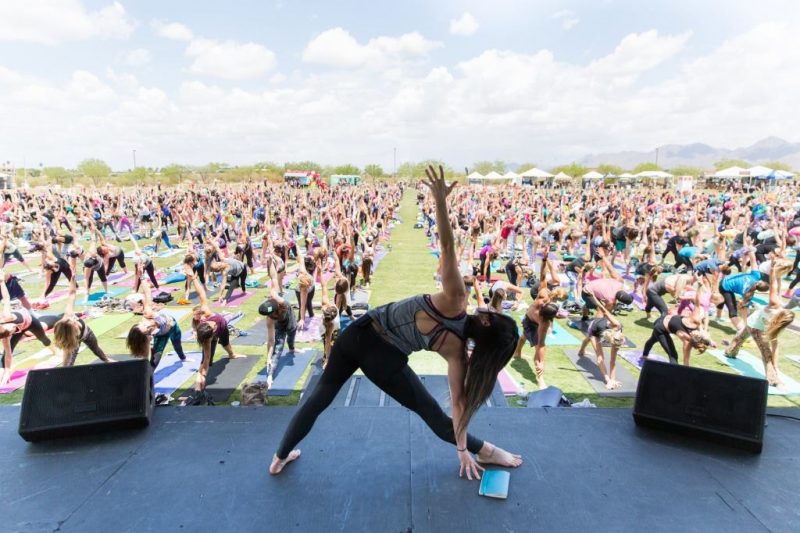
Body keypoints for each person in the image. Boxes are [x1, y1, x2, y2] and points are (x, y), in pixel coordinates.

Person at [269, 166, 523, 478]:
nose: (492, 311)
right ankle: (488, 451)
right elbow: (457, 407)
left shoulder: (457, 301)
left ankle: (279, 457)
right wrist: (460, 450)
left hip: (356, 335)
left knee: (319, 398)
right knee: (430, 413)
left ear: (486, 324)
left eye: (496, 316)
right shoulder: (456, 351)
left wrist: (441, 201)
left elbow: (447, 247)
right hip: (381, 358)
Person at [724, 261, 794, 387]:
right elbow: (774, 348)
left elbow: (773, 286)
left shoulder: (776, 310)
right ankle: (774, 380)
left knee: (741, 337)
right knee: (766, 354)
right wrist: (773, 271)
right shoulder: (775, 307)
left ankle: (730, 352)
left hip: (753, 322)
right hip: (755, 325)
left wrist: (773, 271)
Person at [0, 274, 59, 385]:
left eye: (10, 327)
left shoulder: (7, 316)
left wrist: (2, 282)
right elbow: (8, 354)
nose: (11, 327)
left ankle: (55, 351)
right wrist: (7, 373)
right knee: (7, 351)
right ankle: (2, 375)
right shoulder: (6, 337)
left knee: (43, 339)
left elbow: (6, 298)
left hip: (31, 322)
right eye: (11, 330)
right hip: (21, 328)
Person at [52, 270, 112, 366]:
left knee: (96, 350)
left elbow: (71, 294)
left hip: (86, 333)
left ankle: (107, 360)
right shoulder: (69, 340)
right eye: (74, 322)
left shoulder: (68, 315)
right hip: (73, 341)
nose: (76, 320)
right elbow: (66, 354)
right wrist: (64, 368)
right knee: (68, 364)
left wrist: (72, 280)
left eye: (73, 320)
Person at [126, 278, 190, 368]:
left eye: (144, 325)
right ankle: (147, 376)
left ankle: (183, 358)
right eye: (147, 331)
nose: (148, 327)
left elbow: (147, 294)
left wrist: (142, 278)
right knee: (156, 360)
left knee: (177, 344)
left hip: (173, 325)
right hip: (162, 335)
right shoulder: (147, 336)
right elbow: (146, 352)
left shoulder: (148, 314)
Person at [260, 271, 298, 388]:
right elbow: (271, 341)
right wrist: (268, 358)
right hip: (280, 327)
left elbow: (275, 279)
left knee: (291, 338)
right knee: (278, 349)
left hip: (290, 321)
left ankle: (292, 349)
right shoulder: (270, 319)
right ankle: (270, 376)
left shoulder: (281, 302)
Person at [575, 310, 625, 390]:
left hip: (602, 328)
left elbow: (613, 361)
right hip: (594, 328)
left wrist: (613, 379)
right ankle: (582, 351)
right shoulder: (610, 328)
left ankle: (581, 351)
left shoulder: (619, 331)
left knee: (588, 339)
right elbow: (599, 360)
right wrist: (608, 381)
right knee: (600, 356)